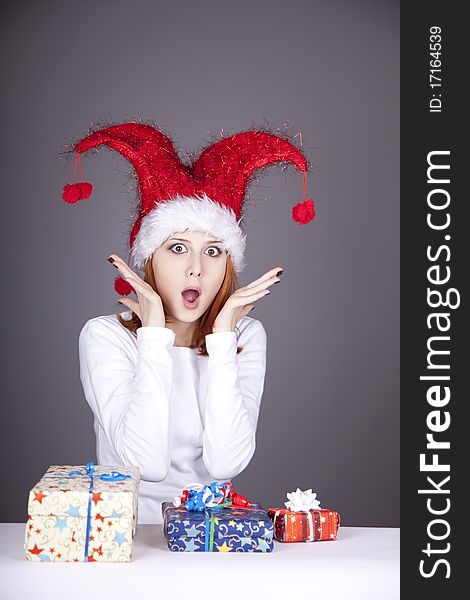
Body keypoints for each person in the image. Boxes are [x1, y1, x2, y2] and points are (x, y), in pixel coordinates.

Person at [63, 122, 315, 523]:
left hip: (209, 536)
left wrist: (222, 342)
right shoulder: (105, 335)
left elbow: (226, 464)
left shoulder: (245, 336)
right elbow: (144, 465)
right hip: (126, 535)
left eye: (213, 251)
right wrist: (152, 337)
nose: (195, 269)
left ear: (228, 264)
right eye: (177, 249)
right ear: (149, 260)